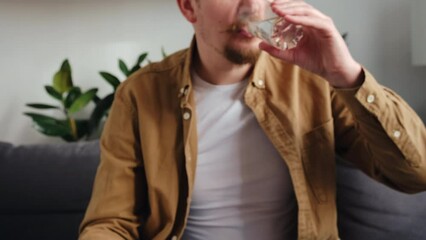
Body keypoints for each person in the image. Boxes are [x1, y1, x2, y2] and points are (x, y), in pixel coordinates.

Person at [79, 0, 426, 239]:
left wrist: (346, 75)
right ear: (188, 6)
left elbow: (416, 174)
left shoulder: (314, 80)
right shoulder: (140, 95)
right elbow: (111, 221)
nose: (252, 7)